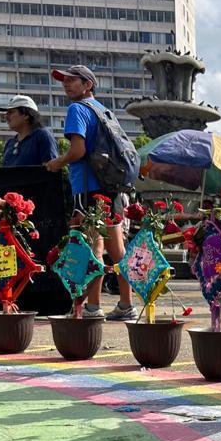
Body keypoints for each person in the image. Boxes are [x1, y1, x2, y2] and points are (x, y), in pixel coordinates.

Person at [43, 64, 134, 320]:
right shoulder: (105, 112)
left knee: (93, 244)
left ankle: (93, 306)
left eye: (73, 80)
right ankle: (126, 304)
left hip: (87, 187)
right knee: (118, 248)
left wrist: (56, 163)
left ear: (88, 85)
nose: (66, 84)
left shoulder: (77, 109)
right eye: (64, 80)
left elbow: (78, 151)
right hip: (111, 186)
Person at [1, 95, 58, 167]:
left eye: (11, 112)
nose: (6, 116)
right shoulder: (10, 143)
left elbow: (49, 170)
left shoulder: (42, 136)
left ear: (26, 115)